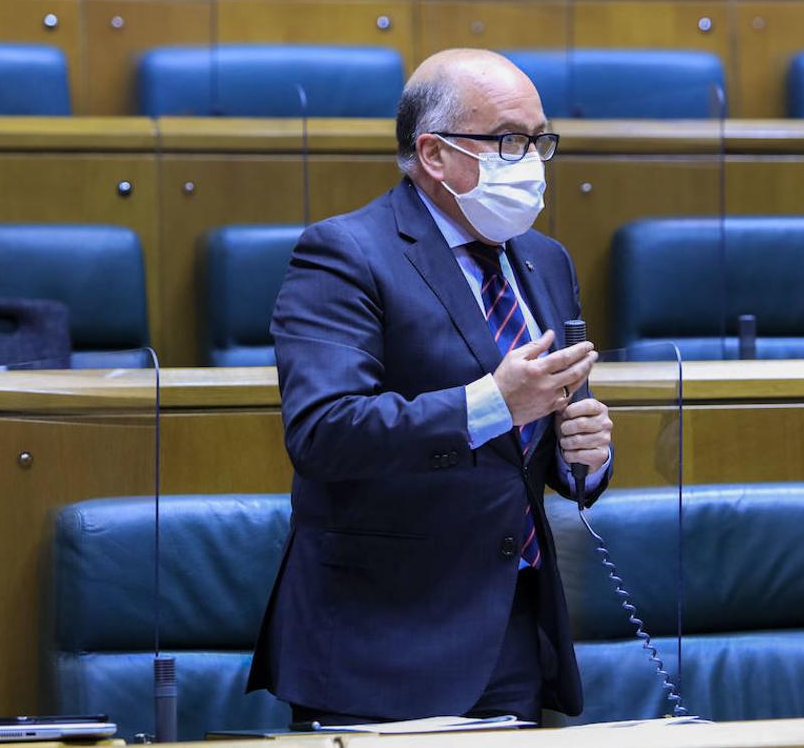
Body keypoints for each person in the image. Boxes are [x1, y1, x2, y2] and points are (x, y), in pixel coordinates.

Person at [247, 48, 614, 726]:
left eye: (540, 139)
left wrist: (582, 455)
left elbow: (546, 423)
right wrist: (492, 404)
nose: (530, 159)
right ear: (434, 154)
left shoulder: (545, 259)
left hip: (515, 626)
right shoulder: (345, 254)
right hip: (381, 641)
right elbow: (324, 431)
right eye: (508, 139)